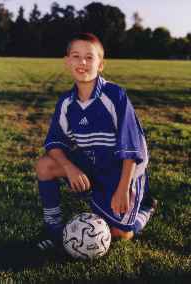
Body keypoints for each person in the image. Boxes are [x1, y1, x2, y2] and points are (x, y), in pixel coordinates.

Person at [35, 32, 157, 251]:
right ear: (67, 61)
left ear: (101, 65)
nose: (82, 62)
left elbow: (132, 148)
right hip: (92, 164)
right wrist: (69, 167)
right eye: (76, 56)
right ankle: (53, 227)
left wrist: (122, 189)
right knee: (45, 165)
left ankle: (145, 207)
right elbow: (54, 142)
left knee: (120, 233)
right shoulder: (66, 102)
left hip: (122, 172)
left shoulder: (115, 95)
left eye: (89, 57)